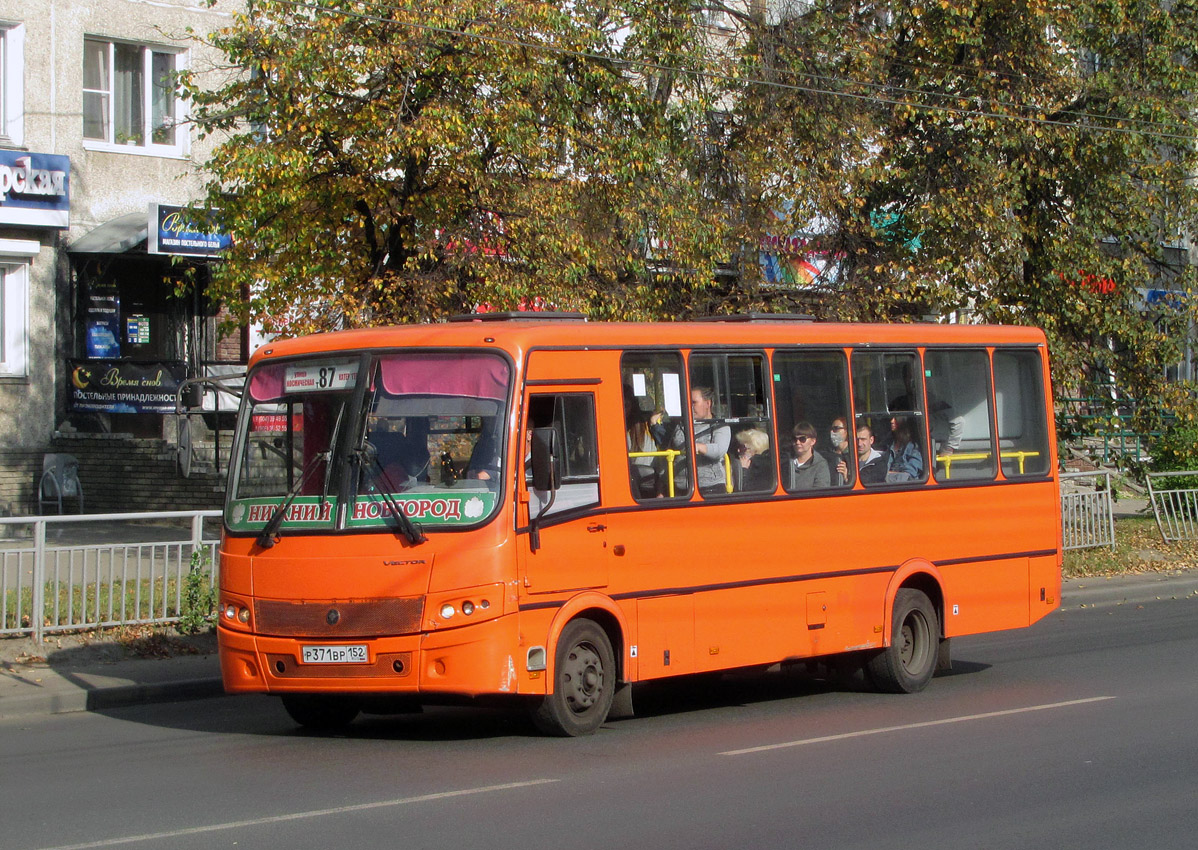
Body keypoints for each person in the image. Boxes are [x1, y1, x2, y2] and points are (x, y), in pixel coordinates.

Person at [689, 386, 731, 494]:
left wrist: (698, 447)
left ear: (708, 404)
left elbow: (719, 450)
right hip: (677, 488)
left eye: (694, 402)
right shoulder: (681, 427)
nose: (690, 406)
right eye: (688, 402)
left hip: (709, 488)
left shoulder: (719, 426)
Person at [787, 421, 830, 490]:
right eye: (794, 439)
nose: (797, 442)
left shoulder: (820, 465)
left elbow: (821, 493)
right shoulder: (785, 462)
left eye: (802, 439)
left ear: (813, 441)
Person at [886, 416, 923, 482]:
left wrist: (886, 475)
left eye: (896, 419)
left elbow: (910, 474)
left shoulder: (913, 447)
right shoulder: (888, 441)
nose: (891, 421)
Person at [826, 416, 854, 487]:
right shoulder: (828, 454)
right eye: (831, 429)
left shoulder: (854, 454)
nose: (832, 432)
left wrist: (846, 476)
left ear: (846, 431)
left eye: (836, 428)